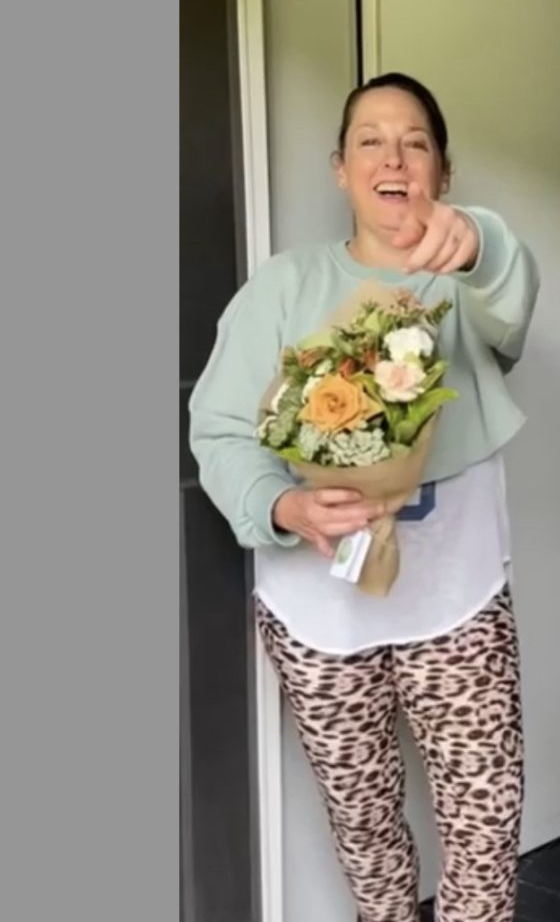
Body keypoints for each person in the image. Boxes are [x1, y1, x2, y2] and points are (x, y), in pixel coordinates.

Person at [188, 72, 540, 922]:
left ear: (442, 171)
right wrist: (284, 506)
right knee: (364, 823)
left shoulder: (468, 275)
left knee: (485, 824)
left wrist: (481, 244)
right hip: (318, 607)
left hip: (458, 596)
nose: (394, 158)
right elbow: (221, 429)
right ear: (340, 168)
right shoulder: (283, 285)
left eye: (416, 143)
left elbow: (512, 300)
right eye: (370, 141)